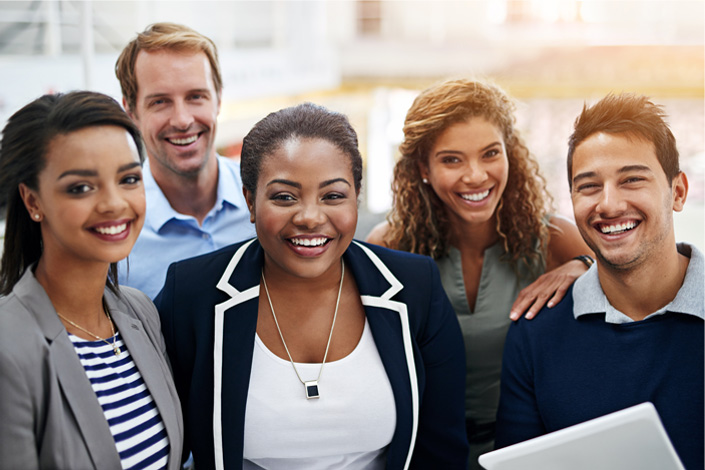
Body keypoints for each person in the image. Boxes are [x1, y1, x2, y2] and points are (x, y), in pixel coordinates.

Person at [155, 102, 469, 469]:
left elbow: (442, 448)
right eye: (284, 197)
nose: (309, 217)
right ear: (249, 202)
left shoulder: (415, 287)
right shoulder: (192, 294)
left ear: (356, 197)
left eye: (333, 195)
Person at [365, 78, 592, 467]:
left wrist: (583, 266)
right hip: (422, 452)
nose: (475, 175)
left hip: (526, 449)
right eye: (452, 159)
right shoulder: (389, 246)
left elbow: (624, 291)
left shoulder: (555, 239)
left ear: (511, 154)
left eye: (490, 153)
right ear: (423, 168)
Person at [495, 93, 703, 469]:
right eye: (589, 186)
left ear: (678, 192)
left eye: (632, 180)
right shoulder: (535, 334)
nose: (609, 204)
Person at [0, 91, 183, 469]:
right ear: (32, 201)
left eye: (129, 178)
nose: (114, 203)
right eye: (81, 187)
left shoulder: (140, 313)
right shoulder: (9, 347)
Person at [114, 22, 255, 298]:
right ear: (130, 111)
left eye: (195, 97)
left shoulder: (269, 202)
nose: (182, 120)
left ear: (218, 99)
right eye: (160, 102)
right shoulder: (115, 234)